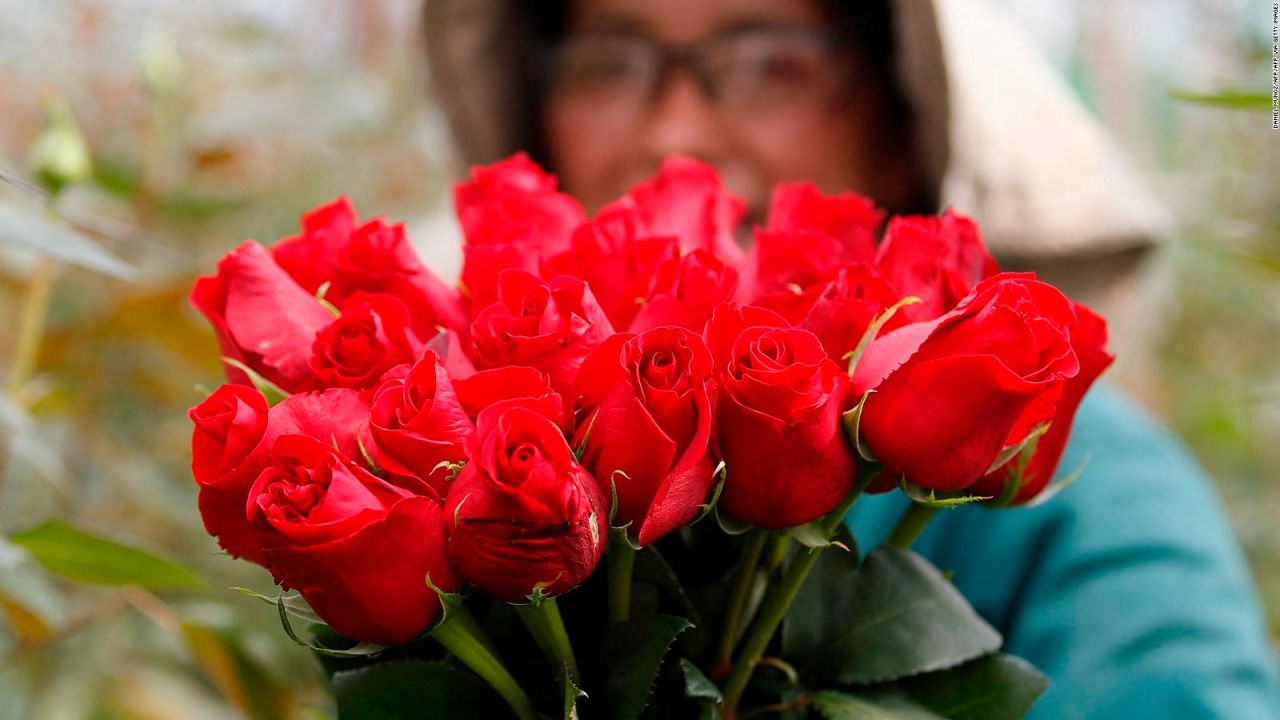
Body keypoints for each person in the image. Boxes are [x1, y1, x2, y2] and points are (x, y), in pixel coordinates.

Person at [421, 0, 1280, 716]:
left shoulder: (1097, 505)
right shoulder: (466, 468)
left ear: (902, 121)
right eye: (607, 62)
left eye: (772, 61)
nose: (674, 133)